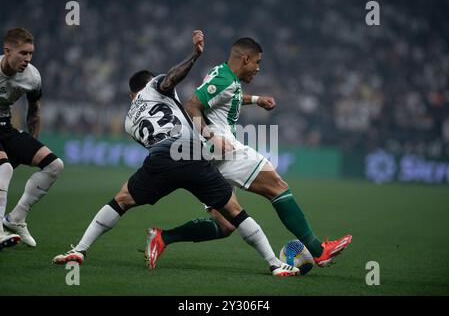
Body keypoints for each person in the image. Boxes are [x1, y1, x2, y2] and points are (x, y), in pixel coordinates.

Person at [52, 30, 299, 277]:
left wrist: (253, 99)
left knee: (121, 200)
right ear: (150, 82)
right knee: (234, 213)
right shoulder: (157, 85)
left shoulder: (129, 121)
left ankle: (81, 250)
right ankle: (275, 264)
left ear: (130, 95)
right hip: (190, 152)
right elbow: (171, 81)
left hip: (160, 159)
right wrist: (195, 55)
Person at [146, 37, 352, 269]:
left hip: (207, 160)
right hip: (222, 151)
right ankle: (319, 251)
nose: (258, 68)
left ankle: (163, 238)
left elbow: (226, 98)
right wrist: (211, 136)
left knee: (225, 225)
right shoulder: (225, 79)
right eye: (257, 62)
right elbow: (192, 105)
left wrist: (256, 100)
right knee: (278, 186)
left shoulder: (222, 75)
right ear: (245, 58)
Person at [0, 28, 64, 250]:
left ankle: (15, 219)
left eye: (31, 54)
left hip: (4, 127)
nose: (27, 59)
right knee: (4, 168)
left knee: (54, 165)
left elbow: (34, 111)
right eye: (22, 53)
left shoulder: (32, 77)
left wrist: (31, 145)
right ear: (7, 51)